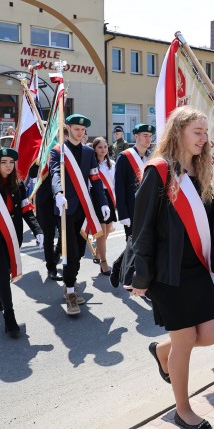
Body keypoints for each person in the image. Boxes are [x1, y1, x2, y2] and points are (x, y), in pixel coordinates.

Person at [130, 107, 214, 429]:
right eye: (197, 132)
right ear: (178, 132)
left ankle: (162, 350)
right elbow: (141, 229)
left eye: (205, 132)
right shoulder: (157, 171)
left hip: (196, 266)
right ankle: (182, 410)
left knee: (212, 333)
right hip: (167, 273)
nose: (203, 138)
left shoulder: (201, 170)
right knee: (184, 339)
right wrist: (140, 276)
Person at [50, 114, 110, 315]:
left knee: (80, 250)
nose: (80, 132)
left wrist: (102, 203)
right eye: (77, 129)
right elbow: (56, 173)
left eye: (83, 130)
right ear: (68, 128)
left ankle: (71, 285)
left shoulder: (88, 152)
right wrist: (58, 193)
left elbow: (95, 179)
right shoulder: (58, 151)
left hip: (84, 209)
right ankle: (70, 294)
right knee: (70, 252)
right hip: (65, 208)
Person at [0, 148, 43, 337]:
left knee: (3, 274)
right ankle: (9, 316)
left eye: (11, 162)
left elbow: (26, 210)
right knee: (2, 276)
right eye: (3, 162)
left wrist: (38, 231)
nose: (8, 166)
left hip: (12, 238)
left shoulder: (18, 184)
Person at [110, 123, 154, 287]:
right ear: (136, 137)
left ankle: (119, 266)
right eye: (144, 136)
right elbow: (119, 187)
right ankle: (132, 279)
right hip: (132, 211)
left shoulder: (151, 156)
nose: (148, 139)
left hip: (149, 209)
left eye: (150, 136)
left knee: (143, 244)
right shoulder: (125, 157)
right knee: (135, 245)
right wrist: (123, 214)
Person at [92, 137, 117, 276]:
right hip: (97, 196)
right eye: (100, 147)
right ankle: (104, 263)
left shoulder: (112, 164)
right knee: (101, 230)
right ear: (95, 149)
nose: (103, 149)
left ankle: (97, 252)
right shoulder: (92, 165)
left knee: (107, 229)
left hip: (110, 197)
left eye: (105, 147)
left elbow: (114, 183)